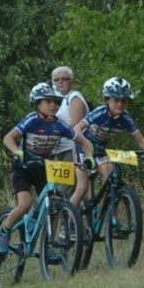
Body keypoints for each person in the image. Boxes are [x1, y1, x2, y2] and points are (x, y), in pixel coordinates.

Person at [0, 84, 95, 257]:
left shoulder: (59, 125)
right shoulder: (31, 119)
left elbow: (85, 142)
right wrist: (17, 152)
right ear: (37, 103)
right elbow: (8, 138)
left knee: (54, 205)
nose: (53, 105)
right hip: (23, 168)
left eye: (56, 102)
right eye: (48, 101)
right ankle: (4, 232)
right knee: (25, 204)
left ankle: (48, 244)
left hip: (43, 168)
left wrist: (88, 158)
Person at [72, 77, 144, 207]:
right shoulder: (99, 113)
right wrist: (85, 144)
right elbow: (77, 128)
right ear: (106, 100)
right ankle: (68, 218)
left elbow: (141, 140)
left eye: (124, 101)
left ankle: (112, 216)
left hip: (100, 151)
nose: (120, 104)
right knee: (82, 188)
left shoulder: (126, 118)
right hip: (83, 149)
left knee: (111, 180)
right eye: (116, 100)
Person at [51, 66, 89, 197]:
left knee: (63, 191)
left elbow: (76, 125)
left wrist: (56, 134)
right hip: (57, 150)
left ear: (71, 82)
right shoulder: (54, 101)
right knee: (55, 188)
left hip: (71, 149)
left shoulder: (74, 97)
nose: (60, 82)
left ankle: (66, 210)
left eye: (64, 79)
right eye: (56, 80)